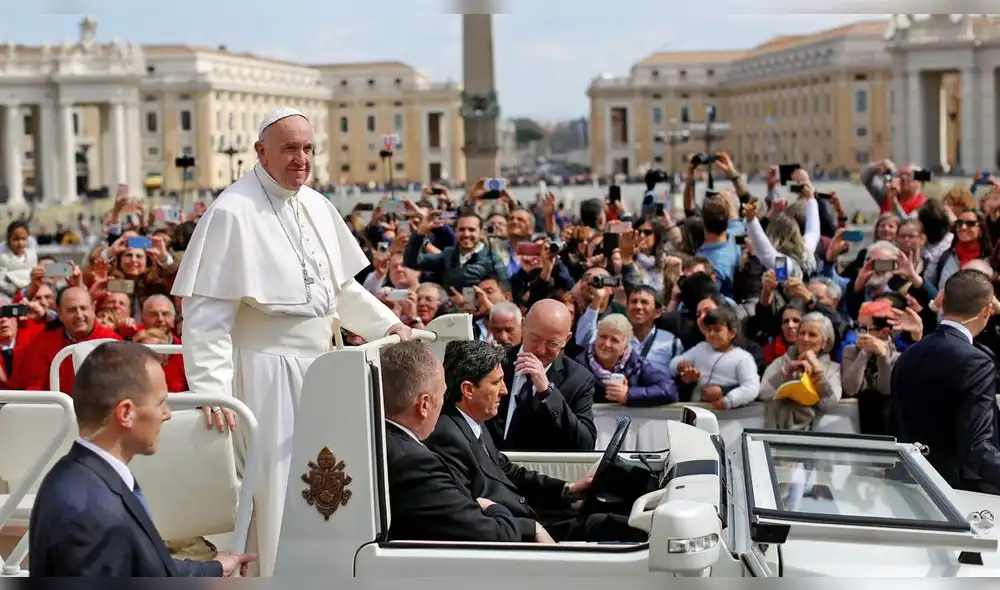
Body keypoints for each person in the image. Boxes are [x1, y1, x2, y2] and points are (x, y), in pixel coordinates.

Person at [170, 107, 411, 576]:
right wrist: (212, 389)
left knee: (331, 480)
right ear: (261, 152)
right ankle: (279, 577)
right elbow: (205, 315)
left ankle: (329, 572)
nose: (300, 159)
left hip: (323, 368)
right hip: (266, 373)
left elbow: (338, 291)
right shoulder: (232, 212)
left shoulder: (316, 205)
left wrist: (388, 326)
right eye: (289, 148)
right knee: (278, 487)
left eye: (307, 149)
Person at [28, 341, 256, 577]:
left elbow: (145, 567)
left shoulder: (83, 481)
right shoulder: (90, 514)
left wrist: (215, 569)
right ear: (126, 413)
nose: (167, 414)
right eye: (160, 403)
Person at [427, 340, 646, 543]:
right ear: (468, 390)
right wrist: (531, 528)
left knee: (610, 520)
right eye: (496, 382)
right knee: (604, 526)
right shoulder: (448, 436)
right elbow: (467, 512)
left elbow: (509, 472)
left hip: (527, 520)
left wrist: (567, 489)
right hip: (514, 536)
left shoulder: (474, 422)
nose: (504, 390)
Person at [380, 340, 523, 542]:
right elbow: (498, 536)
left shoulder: (376, 440)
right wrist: (495, 508)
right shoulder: (416, 465)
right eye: (442, 394)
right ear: (424, 404)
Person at [890, 269, 1000, 495]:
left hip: (908, 485)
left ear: (943, 303)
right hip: (961, 494)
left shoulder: (909, 355)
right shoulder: (977, 362)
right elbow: (977, 446)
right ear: (988, 310)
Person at [485, 299, 597, 452]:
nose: (541, 350)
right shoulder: (496, 363)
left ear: (566, 340)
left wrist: (547, 392)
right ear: (523, 326)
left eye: (552, 343)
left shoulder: (578, 379)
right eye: (535, 338)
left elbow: (586, 444)